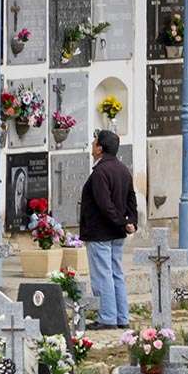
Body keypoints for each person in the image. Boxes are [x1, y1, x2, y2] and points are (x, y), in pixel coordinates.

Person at [79, 129, 137, 330]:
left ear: (100, 148)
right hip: (116, 233)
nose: (92, 145)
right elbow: (131, 199)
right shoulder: (123, 169)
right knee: (116, 274)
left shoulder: (100, 172)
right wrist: (130, 221)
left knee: (102, 275)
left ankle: (107, 317)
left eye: (94, 142)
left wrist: (122, 222)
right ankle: (121, 316)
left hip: (100, 232)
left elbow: (104, 204)